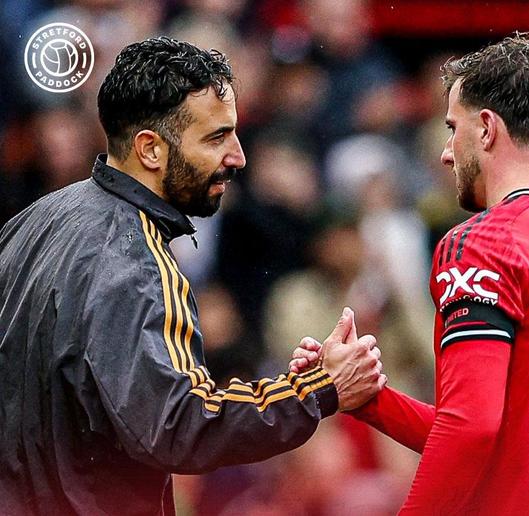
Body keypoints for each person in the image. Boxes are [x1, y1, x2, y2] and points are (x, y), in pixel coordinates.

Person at [0, 37, 385, 515]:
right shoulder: (134, 259)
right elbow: (179, 425)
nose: (238, 156)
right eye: (216, 137)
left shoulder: (34, 220)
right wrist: (317, 390)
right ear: (151, 149)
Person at [291, 34, 529, 515]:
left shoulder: (484, 241)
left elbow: (470, 428)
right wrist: (369, 399)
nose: (445, 153)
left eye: (452, 128)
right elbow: (500, 441)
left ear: (487, 129)